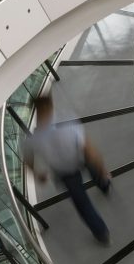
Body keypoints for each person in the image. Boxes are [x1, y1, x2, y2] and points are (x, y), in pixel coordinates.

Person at [22, 95, 111, 245]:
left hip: (64, 172)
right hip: (81, 158)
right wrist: (102, 169)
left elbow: (28, 161)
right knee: (95, 172)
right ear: (50, 105)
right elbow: (89, 151)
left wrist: (38, 175)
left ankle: (102, 234)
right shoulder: (68, 121)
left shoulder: (31, 140)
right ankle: (104, 185)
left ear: (35, 109)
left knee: (82, 204)